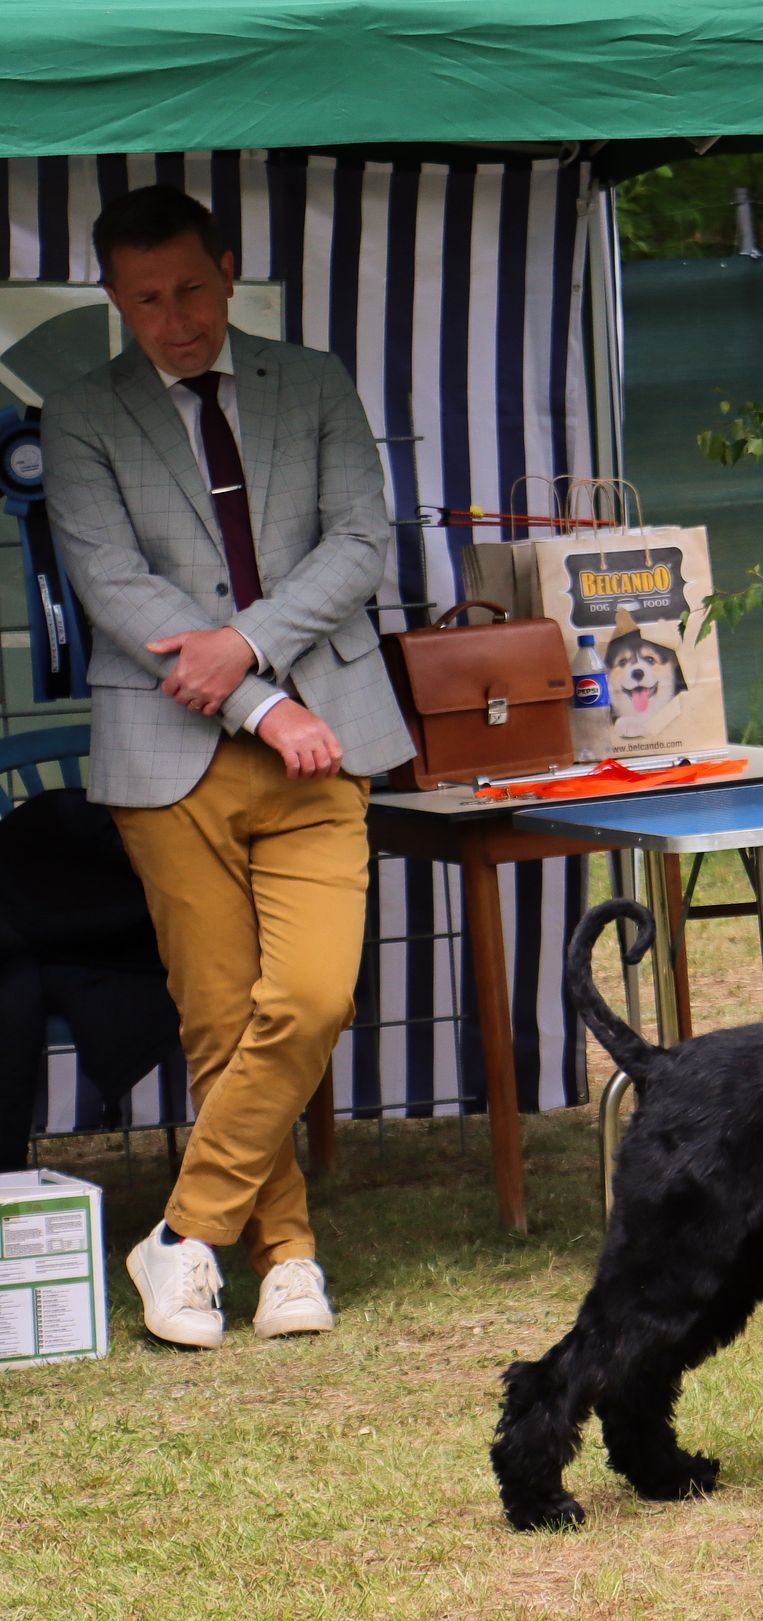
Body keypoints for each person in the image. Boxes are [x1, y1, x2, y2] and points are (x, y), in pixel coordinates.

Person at [41, 185, 415, 1349]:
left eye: (192, 290)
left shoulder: (313, 381)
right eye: (147, 300)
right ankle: (286, 1258)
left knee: (310, 999)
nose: (176, 319)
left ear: (229, 268)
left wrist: (250, 647)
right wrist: (260, 700)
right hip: (172, 755)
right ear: (115, 298)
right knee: (218, 1018)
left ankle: (182, 1232)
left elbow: (360, 541)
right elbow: (115, 588)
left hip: (326, 736)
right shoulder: (80, 413)